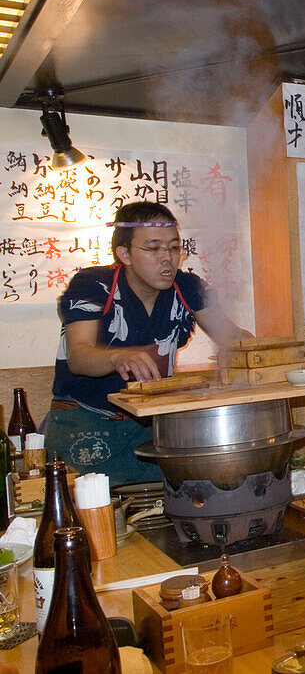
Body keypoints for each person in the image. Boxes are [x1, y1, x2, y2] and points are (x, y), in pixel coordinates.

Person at [43, 202, 251, 485]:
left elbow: (233, 339)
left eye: (174, 247)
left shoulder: (186, 286)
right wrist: (117, 357)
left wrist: (251, 350)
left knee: (175, 502)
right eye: (153, 248)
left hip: (150, 424)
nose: (167, 258)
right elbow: (78, 356)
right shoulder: (93, 284)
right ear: (125, 254)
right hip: (85, 422)